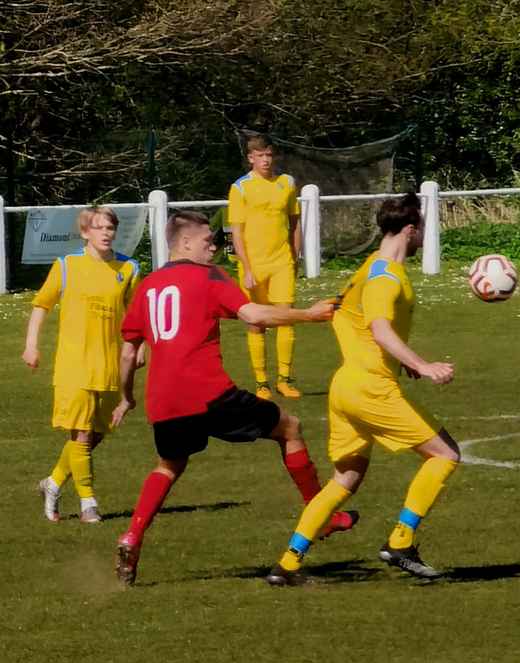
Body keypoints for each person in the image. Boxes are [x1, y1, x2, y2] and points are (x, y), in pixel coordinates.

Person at [112, 210, 358, 586]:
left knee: (167, 466)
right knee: (290, 427)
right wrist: (308, 315)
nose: (214, 246)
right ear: (186, 242)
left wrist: (126, 397)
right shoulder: (207, 276)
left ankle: (133, 537)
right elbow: (253, 314)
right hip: (208, 392)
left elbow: (129, 353)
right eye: (208, 239)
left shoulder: (148, 285)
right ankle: (320, 516)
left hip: (164, 400)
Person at [267, 192, 461, 585]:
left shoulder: (368, 267)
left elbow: (345, 314)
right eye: (421, 226)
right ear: (410, 229)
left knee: (345, 479)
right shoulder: (385, 275)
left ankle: (287, 564)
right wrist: (420, 365)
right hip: (371, 388)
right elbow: (379, 327)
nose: (423, 233)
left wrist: (397, 359)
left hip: (346, 387)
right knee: (445, 454)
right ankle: (401, 541)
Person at [22, 206, 141, 523]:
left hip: (110, 363)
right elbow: (41, 305)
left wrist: (139, 347)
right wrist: (31, 345)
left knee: (96, 434)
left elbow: (135, 316)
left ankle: (54, 481)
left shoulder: (128, 268)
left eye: (110, 228)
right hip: (74, 363)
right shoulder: (66, 265)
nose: (106, 233)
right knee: (83, 435)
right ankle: (89, 502)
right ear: (85, 232)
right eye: (99, 227)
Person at [228, 133, 302, 400]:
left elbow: (295, 222)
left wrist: (295, 257)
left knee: (286, 318)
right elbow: (235, 232)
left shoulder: (286, 183)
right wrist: (246, 267)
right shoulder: (240, 188)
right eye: (260, 156)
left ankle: (285, 378)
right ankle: (262, 382)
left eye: (269, 155)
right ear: (251, 158)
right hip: (254, 265)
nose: (266, 160)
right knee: (257, 323)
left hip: (282, 261)